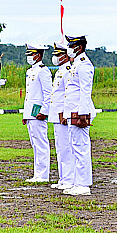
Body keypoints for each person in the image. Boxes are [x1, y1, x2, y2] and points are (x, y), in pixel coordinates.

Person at [62, 34, 96, 196]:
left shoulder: (84, 65)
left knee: (81, 147)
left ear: (79, 47)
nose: (68, 49)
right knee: (74, 147)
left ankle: (83, 184)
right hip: (72, 111)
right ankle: (77, 181)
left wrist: (83, 114)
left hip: (79, 112)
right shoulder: (76, 64)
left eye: (71, 45)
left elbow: (85, 90)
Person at [23, 44, 52, 182]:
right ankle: (37, 173)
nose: (29, 57)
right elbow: (29, 95)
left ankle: (43, 174)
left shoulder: (43, 71)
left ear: (38, 55)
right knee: (35, 143)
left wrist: (44, 111)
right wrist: (26, 114)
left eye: (31, 54)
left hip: (38, 113)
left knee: (41, 143)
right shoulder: (30, 71)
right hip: (31, 113)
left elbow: (48, 93)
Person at [48, 43, 73, 190]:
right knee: (60, 148)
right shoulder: (60, 71)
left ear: (65, 56)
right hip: (56, 114)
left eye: (58, 55)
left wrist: (64, 112)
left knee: (65, 148)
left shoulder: (67, 71)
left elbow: (67, 94)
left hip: (62, 114)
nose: (56, 58)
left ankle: (69, 179)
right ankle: (63, 178)